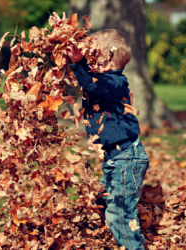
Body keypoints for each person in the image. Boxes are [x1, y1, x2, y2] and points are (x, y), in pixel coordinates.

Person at [67, 29, 150, 250]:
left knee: (119, 214)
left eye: (93, 56)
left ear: (107, 59)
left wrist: (78, 65)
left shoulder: (114, 83)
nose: (88, 60)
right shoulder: (105, 82)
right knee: (102, 201)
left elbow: (92, 84)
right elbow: (90, 83)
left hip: (126, 159)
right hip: (116, 160)